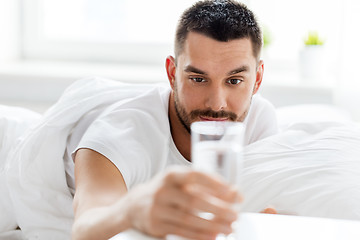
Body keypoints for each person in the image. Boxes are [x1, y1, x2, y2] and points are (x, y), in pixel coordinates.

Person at [69, 0, 278, 239]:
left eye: (234, 81)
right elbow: (84, 228)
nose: (217, 104)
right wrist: (134, 209)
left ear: (258, 79)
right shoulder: (119, 133)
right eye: (198, 79)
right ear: (172, 74)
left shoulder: (261, 122)